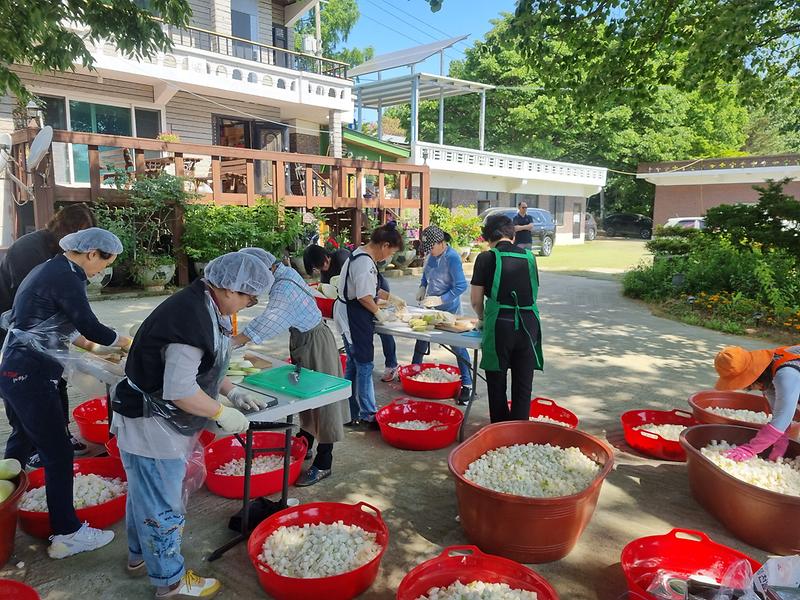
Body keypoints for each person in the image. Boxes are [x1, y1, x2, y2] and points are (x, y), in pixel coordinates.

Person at [111, 251, 270, 598]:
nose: (248, 304)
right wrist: (220, 412)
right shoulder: (191, 316)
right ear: (229, 287)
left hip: (149, 416)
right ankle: (169, 581)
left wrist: (232, 391)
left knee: (144, 493)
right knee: (161, 503)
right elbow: (181, 389)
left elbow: (207, 367)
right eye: (247, 296)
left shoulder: (205, 303)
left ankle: (140, 557)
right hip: (150, 422)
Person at [0, 227, 132, 559]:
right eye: (104, 263)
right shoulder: (67, 276)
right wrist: (129, 342)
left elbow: (64, 328)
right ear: (91, 254)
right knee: (58, 453)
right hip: (30, 373)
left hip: (15, 367)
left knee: (21, 439)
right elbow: (90, 326)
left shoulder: (49, 268)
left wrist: (97, 351)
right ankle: (67, 532)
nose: (101, 270)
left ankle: (6, 508)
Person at [232, 248, 349, 487]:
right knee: (304, 396)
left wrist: (233, 342)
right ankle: (304, 442)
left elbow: (270, 320)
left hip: (315, 342)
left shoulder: (283, 287)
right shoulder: (284, 274)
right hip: (304, 338)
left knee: (323, 402)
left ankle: (324, 462)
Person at [0, 203, 97, 463]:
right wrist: (90, 338)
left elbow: (71, 303)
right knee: (22, 385)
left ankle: (59, 433)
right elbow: (32, 308)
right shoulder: (29, 250)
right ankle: (30, 445)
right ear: (63, 230)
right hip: (10, 326)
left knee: (56, 375)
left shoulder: (69, 256)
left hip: (43, 330)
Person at [470, 214, 543, 422]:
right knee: (523, 385)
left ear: (488, 237)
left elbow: (476, 300)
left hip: (501, 324)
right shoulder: (530, 257)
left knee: (497, 383)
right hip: (529, 324)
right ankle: (519, 435)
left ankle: (501, 432)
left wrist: (483, 318)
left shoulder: (486, 258)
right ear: (512, 235)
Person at [333, 224, 405, 428]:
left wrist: (391, 297)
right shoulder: (363, 262)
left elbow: (371, 288)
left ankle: (350, 411)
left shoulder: (363, 256)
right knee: (364, 365)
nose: (389, 256)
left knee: (355, 364)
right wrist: (379, 312)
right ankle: (367, 413)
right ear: (384, 245)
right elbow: (364, 296)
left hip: (354, 314)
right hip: (353, 317)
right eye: (391, 252)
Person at [303, 243, 400, 383]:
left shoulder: (343, 257)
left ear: (325, 257)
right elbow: (330, 294)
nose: (319, 270)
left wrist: (383, 303)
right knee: (357, 352)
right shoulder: (324, 271)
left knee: (383, 328)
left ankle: (391, 365)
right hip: (356, 302)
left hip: (374, 289)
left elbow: (362, 290)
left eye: (319, 266)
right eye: (316, 268)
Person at [412, 225, 473, 404]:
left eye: (432, 247)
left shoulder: (452, 258)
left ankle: (467, 385)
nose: (430, 251)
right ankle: (415, 371)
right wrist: (422, 287)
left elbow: (461, 286)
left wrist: (440, 300)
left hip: (449, 309)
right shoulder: (432, 256)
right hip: (430, 306)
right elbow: (426, 275)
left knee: (457, 346)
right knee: (420, 337)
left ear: (441, 243)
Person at [713, 345, 800, 462]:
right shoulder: (769, 373)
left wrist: (749, 449)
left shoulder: (786, 375)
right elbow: (780, 415)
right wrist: (780, 445)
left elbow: (783, 419)